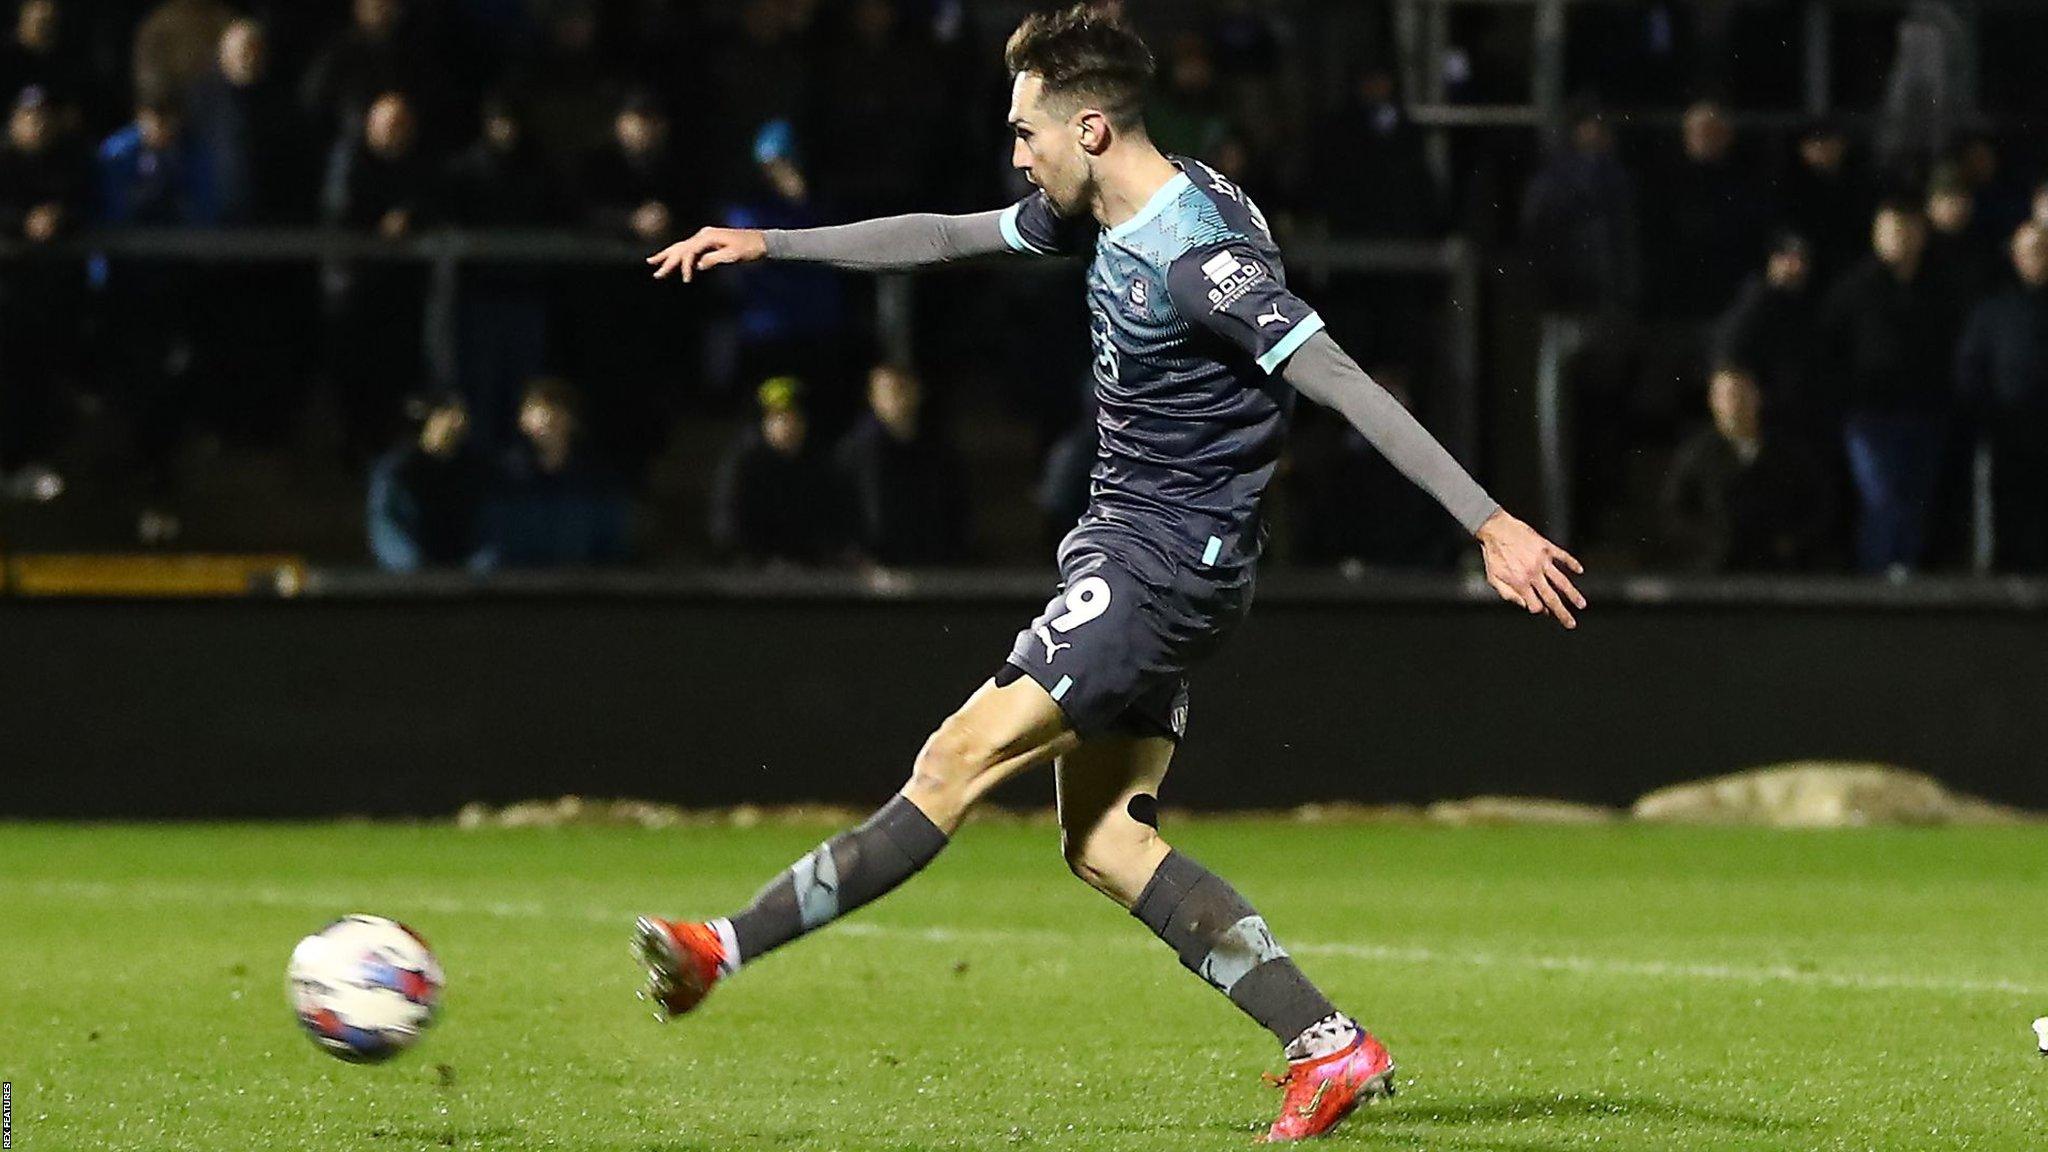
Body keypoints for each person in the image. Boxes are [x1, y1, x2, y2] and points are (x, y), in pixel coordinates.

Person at [634, 7, 1583, 1142]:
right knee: (1103, 843)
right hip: (1149, 555)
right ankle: (1327, 1043)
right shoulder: (1125, 204)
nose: (1015, 154)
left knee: (952, 760)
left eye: (1024, 131)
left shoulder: (1197, 255)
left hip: (1157, 567)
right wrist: (773, 245)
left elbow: (1341, 381)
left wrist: (1488, 524)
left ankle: (717, 950)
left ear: (1087, 129)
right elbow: (946, 236)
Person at [1817, 200, 1957, 574]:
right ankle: (1876, 579)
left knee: (1916, 501)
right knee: (1882, 498)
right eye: (1893, 231)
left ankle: (1904, 577)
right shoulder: (1854, 288)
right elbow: (1830, 347)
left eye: (1908, 230)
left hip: (1925, 412)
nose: (1901, 239)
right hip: (1870, 416)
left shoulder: (1938, 287)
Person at [1659, 365, 1832, 572]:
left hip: (1777, 573)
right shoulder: (1697, 454)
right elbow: (1675, 511)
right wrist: (1711, 542)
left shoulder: (1787, 453)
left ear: (1758, 397)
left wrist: (1790, 542)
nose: (1736, 403)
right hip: (1712, 573)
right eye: (1727, 395)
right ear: (1712, 400)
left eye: (1743, 394)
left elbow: (1820, 505)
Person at [1955, 223, 2048, 571]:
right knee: (2010, 513)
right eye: (2029, 251)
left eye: (2042, 249)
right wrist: (1989, 416)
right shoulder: (1993, 311)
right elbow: (1970, 368)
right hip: (2010, 433)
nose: (2037, 259)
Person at [834, 362, 969, 567]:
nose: (897, 398)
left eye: (903, 388)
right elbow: (846, 513)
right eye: (889, 391)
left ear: (919, 391)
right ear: (872, 398)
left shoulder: (938, 450)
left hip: (931, 566)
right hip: (872, 571)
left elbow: (953, 509)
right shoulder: (856, 452)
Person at [708, 376, 844, 566]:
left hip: (810, 571)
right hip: (754, 572)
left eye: (795, 417)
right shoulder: (744, 463)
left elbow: (831, 519)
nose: (788, 426)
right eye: (779, 418)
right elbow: (727, 526)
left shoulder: (818, 461)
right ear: (764, 422)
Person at [367, 394, 494, 572]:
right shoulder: (397, 470)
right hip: (414, 578)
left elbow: (488, 526)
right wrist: (414, 567)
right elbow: (386, 525)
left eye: (462, 415)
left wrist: (478, 566)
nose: (457, 422)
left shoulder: (476, 469)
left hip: (466, 577)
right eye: (448, 414)